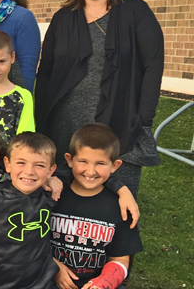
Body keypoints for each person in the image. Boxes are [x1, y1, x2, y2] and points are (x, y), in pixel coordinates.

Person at [35, 0, 163, 199]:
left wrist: (143, 120)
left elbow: (153, 66)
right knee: (64, 205)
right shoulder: (63, 17)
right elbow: (46, 70)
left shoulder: (135, 11)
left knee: (116, 206)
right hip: (64, 127)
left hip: (119, 125)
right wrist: (42, 121)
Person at [51, 123, 143, 289]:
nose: (90, 171)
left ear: (114, 166)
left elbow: (120, 259)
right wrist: (52, 266)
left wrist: (105, 282)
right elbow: (31, 243)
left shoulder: (121, 207)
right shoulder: (52, 196)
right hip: (49, 279)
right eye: (83, 161)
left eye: (100, 163)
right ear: (69, 160)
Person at [0, 132, 58, 289]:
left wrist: (119, 188)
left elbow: (80, 174)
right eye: (21, 163)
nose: (29, 171)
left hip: (42, 284)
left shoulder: (50, 195)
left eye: (39, 165)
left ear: (51, 170)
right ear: (8, 164)